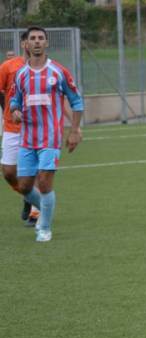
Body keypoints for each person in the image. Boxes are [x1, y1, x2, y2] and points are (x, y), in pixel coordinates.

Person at [9, 26, 83, 243]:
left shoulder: (58, 72)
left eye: (41, 38)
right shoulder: (21, 74)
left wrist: (74, 130)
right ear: (26, 44)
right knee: (23, 186)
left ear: (47, 43)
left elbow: (77, 101)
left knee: (44, 182)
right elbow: (15, 99)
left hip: (50, 138)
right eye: (33, 38)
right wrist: (14, 110)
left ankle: (44, 227)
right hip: (27, 138)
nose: (37, 42)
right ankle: (47, 208)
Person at [0, 30, 40, 226]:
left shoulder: (45, 69)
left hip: (36, 128)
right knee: (8, 172)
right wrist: (7, 111)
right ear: (24, 44)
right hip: (11, 127)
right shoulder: (8, 67)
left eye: (38, 39)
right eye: (29, 39)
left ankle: (36, 212)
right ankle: (28, 196)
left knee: (36, 171)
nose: (33, 43)